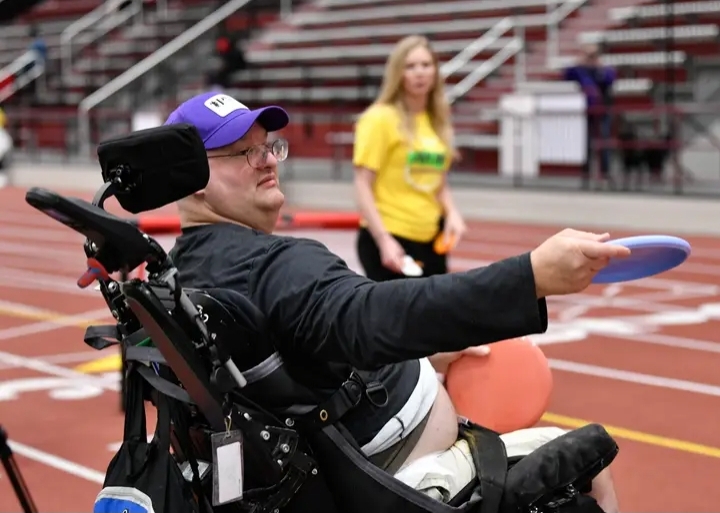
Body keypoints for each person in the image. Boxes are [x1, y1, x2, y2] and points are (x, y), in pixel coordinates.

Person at [164, 91, 626, 512]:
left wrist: (421, 355)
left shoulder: (179, 275)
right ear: (193, 177)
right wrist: (532, 276)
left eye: (270, 147)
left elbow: (309, 349)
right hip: (391, 478)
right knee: (593, 465)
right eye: (245, 152)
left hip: (321, 466)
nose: (267, 161)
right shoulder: (277, 266)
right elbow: (371, 317)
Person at [353, 35, 466, 282]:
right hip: (391, 237)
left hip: (430, 238)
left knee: (435, 317)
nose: (420, 73)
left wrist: (453, 214)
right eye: (410, 66)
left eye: (426, 65)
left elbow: (439, 182)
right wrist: (384, 240)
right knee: (399, 319)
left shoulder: (437, 120)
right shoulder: (379, 118)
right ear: (398, 73)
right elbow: (363, 183)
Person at [563, 44, 616, 190]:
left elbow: (610, 79)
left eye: (593, 55)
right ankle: (585, 174)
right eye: (588, 55)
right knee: (585, 144)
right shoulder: (579, 71)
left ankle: (605, 174)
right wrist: (579, 63)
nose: (591, 59)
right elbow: (566, 75)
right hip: (586, 112)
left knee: (603, 142)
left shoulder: (604, 70)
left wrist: (598, 66)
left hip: (602, 111)